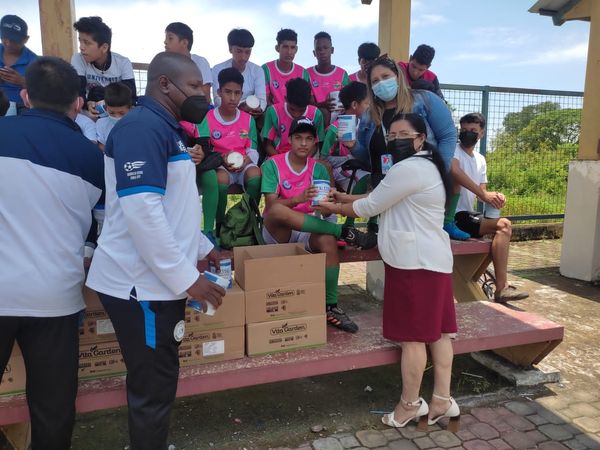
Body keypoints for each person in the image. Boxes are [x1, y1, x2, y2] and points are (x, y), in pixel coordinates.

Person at [86, 52, 224, 449]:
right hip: (140, 285)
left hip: (156, 281)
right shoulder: (142, 128)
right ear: (165, 84)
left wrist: (202, 245)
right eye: (194, 86)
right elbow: (142, 211)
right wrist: (187, 278)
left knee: (160, 374)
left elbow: (171, 204)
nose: (203, 95)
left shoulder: (168, 129)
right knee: (152, 383)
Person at [316, 113, 460, 432]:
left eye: (403, 135)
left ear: (420, 139)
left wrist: (335, 208)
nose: (396, 141)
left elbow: (371, 207)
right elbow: (383, 198)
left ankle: (409, 405)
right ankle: (442, 399)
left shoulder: (408, 168)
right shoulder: (427, 166)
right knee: (439, 333)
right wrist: (345, 197)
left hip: (413, 264)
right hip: (433, 261)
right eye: (391, 136)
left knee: (412, 339)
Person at [0, 56, 104, 449]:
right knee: (54, 410)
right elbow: (101, 227)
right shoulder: (92, 159)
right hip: (55, 299)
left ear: (26, 96)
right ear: (78, 102)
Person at [261, 117, 376, 333]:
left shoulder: (319, 169)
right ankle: (343, 232)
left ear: (315, 142)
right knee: (276, 210)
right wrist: (298, 199)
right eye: (298, 138)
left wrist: (327, 206)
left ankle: (330, 306)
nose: (303, 143)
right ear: (290, 140)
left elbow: (326, 210)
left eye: (308, 139)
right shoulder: (272, 164)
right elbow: (270, 206)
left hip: (310, 226)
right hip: (279, 231)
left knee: (327, 240)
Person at [355, 55, 469, 240]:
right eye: (375, 81)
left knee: (423, 239)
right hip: (387, 189)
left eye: (385, 77)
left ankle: (447, 223)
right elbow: (366, 155)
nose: (381, 83)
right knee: (393, 242)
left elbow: (448, 135)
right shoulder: (369, 115)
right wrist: (352, 146)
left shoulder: (425, 100)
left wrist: (439, 169)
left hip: (421, 187)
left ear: (398, 76)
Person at [453, 113, 529, 303]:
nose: (467, 133)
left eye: (473, 130)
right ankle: (501, 288)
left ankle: (485, 280)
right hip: (453, 215)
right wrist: (484, 194)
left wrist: (494, 197)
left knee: (501, 227)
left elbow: (482, 192)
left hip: (468, 214)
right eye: (464, 130)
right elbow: (456, 173)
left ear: (482, 133)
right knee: (504, 225)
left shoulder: (480, 159)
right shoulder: (453, 152)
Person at [196, 67, 262, 244]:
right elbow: (205, 148)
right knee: (221, 180)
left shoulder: (248, 119)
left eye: (237, 93)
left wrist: (246, 161)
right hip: (220, 165)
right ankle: (220, 226)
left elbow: (252, 148)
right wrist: (222, 159)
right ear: (219, 92)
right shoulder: (208, 117)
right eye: (228, 92)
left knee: (255, 175)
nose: (232, 98)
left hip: (243, 164)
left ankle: (249, 223)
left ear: (242, 94)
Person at [320, 81, 376, 235]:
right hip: (340, 168)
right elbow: (324, 157)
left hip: (361, 165)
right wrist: (347, 158)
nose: (369, 107)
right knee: (364, 180)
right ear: (355, 105)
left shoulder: (366, 125)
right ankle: (349, 225)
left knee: (378, 180)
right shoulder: (335, 128)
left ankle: (374, 224)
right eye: (367, 103)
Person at [71, 16, 136, 118]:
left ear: (104, 47)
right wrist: (87, 104)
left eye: (87, 43)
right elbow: (78, 93)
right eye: (80, 41)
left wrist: (102, 96)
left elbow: (131, 95)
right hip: (89, 114)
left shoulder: (123, 63)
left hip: (115, 114)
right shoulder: (78, 59)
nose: (81, 47)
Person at [262, 77, 325, 157]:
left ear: (308, 103)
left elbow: (315, 145)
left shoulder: (316, 114)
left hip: (305, 157)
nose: (296, 115)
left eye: (301, 110)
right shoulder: (273, 112)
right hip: (278, 156)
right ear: (286, 99)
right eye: (292, 109)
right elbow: (268, 145)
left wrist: (303, 160)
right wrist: (283, 161)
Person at [212, 29, 266, 117]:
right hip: (224, 115)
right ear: (230, 49)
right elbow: (217, 100)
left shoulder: (257, 70)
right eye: (239, 51)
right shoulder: (218, 69)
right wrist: (243, 107)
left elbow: (262, 100)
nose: (243, 57)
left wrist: (257, 109)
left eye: (247, 52)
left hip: (250, 116)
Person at [307, 31, 350, 125]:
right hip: (317, 120)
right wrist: (323, 105)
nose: (322, 52)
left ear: (332, 50)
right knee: (323, 112)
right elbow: (308, 104)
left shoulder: (342, 74)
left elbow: (350, 99)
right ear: (314, 53)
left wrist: (345, 106)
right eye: (318, 49)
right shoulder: (307, 74)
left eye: (325, 48)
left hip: (340, 118)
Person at [164, 22, 212, 103]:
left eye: (170, 38)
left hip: (199, 108)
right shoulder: (165, 65)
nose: (165, 42)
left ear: (184, 43)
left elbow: (206, 96)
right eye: (166, 38)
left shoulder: (200, 62)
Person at [0, 15, 38, 115]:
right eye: (4, 38)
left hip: (22, 108)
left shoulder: (35, 62)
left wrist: (23, 81)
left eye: (13, 40)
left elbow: (44, 94)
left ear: (25, 39)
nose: (8, 43)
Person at [262, 28, 309, 106]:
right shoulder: (266, 69)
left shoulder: (303, 73)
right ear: (277, 48)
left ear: (296, 49)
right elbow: (265, 100)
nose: (289, 52)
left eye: (292, 47)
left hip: (297, 112)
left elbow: (305, 102)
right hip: (274, 112)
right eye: (285, 47)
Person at [95, 81, 132, 150]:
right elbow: (101, 146)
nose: (117, 117)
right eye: (112, 113)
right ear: (106, 108)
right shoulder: (101, 124)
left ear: (130, 109)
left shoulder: (135, 125)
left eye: (122, 113)